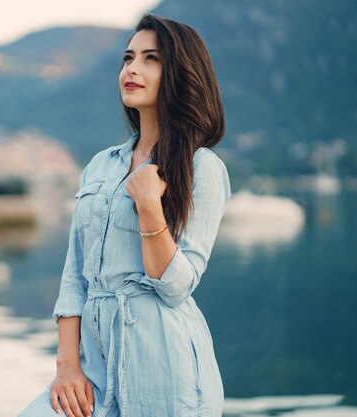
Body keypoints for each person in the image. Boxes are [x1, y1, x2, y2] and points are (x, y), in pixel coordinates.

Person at [17, 13, 231, 417]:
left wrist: (151, 208)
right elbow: (74, 275)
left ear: (180, 74)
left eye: (150, 58)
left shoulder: (203, 168)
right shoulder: (100, 166)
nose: (131, 69)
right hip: (94, 366)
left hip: (164, 366)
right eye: (128, 57)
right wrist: (66, 367)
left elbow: (177, 286)